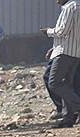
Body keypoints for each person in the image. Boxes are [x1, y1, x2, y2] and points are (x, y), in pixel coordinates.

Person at [41, 0, 80, 128]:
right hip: (74, 52)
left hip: (65, 53)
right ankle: (68, 118)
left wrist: (48, 31)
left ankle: (76, 107)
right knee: (66, 84)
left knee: (54, 82)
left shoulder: (70, 7)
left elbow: (62, 31)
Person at [44, 48, 80, 122]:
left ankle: (72, 111)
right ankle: (68, 114)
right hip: (65, 49)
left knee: (55, 83)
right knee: (64, 83)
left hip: (67, 51)